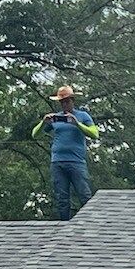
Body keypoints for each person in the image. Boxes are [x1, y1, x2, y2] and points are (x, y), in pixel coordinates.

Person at [33, 84, 100, 220]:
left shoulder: (82, 116)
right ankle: (64, 224)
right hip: (58, 162)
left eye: (67, 101)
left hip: (76, 162)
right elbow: (35, 135)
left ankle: (89, 222)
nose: (64, 104)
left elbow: (94, 134)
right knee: (62, 198)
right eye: (62, 102)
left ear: (72, 101)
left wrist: (77, 124)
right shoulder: (55, 118)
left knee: (84, 195)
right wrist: (44, 122)